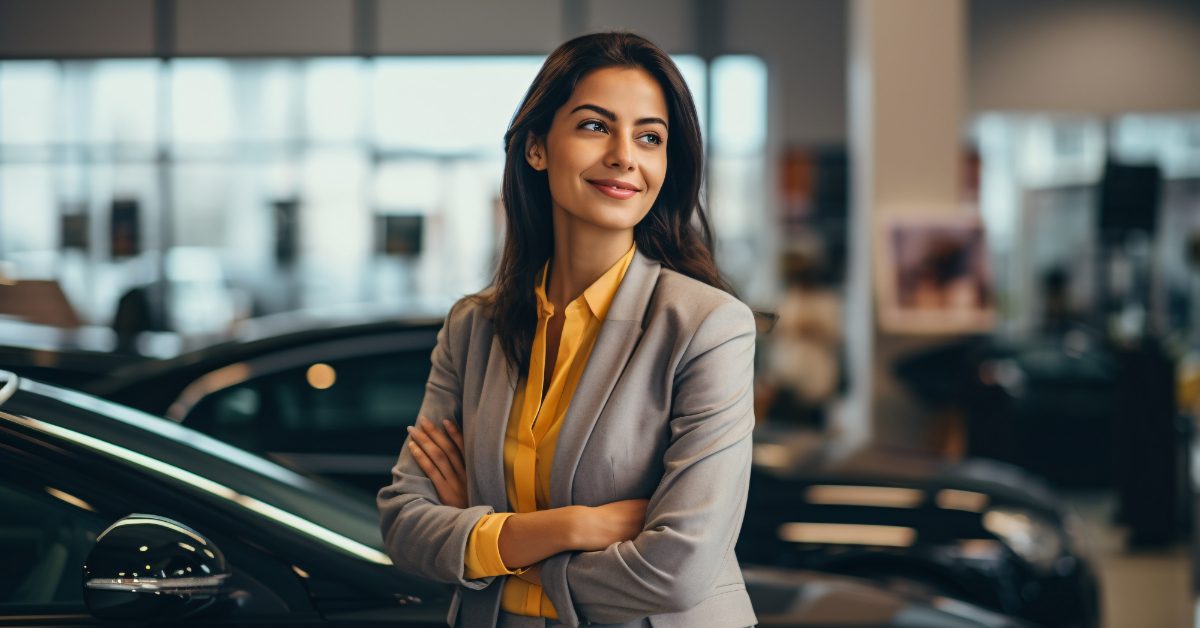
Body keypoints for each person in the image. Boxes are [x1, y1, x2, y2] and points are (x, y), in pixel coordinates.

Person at [377, 32, 758, 628]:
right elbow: (404, 523)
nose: (625, 156)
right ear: (536, 148)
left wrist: (488, 543)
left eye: (650, 137)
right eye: (594, 126)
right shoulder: (473, 327)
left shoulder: (707, 327)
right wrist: (572, 527)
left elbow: (678, 568)